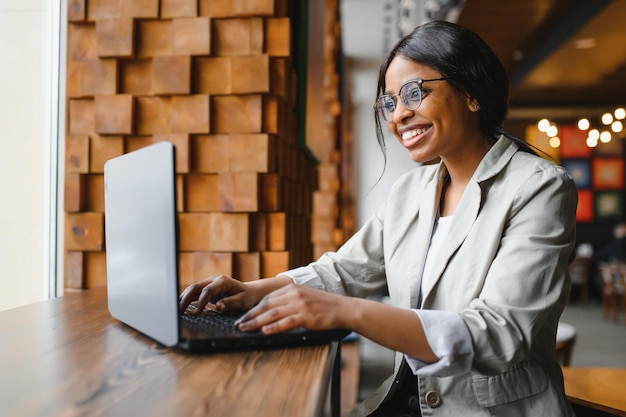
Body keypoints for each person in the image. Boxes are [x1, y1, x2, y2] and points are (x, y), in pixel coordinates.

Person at [179, 21, 577, 417]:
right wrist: (256, 290)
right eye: (389, 102)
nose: (398, 115)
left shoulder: (540, 188)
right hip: (406, 401)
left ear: (472, 93)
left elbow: (500, 335)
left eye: (413, 94)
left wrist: (346, 312)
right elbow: (346, 270)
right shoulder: (411, 191)